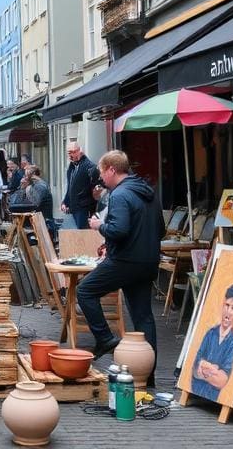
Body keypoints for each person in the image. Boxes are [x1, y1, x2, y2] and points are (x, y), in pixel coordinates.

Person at [77, 150, 164, 369]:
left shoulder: (119, 194)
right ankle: (147, 373)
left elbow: (119, 230)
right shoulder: (148, 192)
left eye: (101, 172)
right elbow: (161, 229)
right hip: (148, 261)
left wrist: (100, 226)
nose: (100, 177)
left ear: (112, 170)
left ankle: (105, 339)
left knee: (85, 291)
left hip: (125, 261)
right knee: (143, 316)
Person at [191, 283, 233, 401]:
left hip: (213, 397)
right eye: (226, 305)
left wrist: (204, 367)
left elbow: (222, 381)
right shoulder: (210, 333)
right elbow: (194, 368)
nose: (228, 311)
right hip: (194, 391)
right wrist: (213, 370)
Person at [62, 142, 100, 229]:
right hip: (75, 207)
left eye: (74, 152)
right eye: (69, 152)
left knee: (84, 233)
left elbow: (95, 188)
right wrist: (65, 202)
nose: (71, 155)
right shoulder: (72, 167)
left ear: (80, 151)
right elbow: (70, 187)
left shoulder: (90, 167)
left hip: (85, 208)